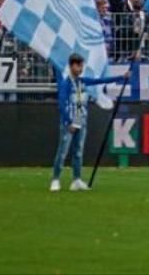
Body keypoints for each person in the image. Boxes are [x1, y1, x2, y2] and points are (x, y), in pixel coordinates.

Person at [51, 54, 129, 192]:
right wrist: (68, 121)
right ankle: (56, 179)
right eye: (78, 65)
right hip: (69, 122)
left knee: (78, 152)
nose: (80, 68)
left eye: (81, 66)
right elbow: (62, 104)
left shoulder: (82, 81)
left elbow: (100, 81)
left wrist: (121, 77)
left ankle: (76, 180)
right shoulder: (66, 83)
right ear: (71, 66)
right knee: (62, 151)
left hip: (81, 120)